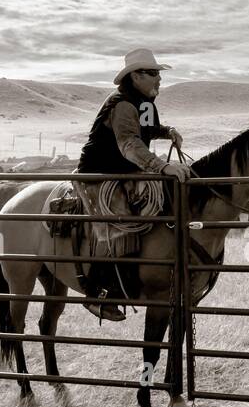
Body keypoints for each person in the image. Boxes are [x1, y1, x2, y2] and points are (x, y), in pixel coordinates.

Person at [74, 48, 193, 320]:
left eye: (158, 74)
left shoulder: (145, 102)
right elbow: (129, 144)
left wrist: (167, 131)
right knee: (121, 220)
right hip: (100, 173)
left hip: (128, 172)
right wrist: (163, 166)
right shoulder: (123, 104)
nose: (159, 80)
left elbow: (147, 131)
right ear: (135, 76)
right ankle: (97, 292)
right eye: (153, 74)